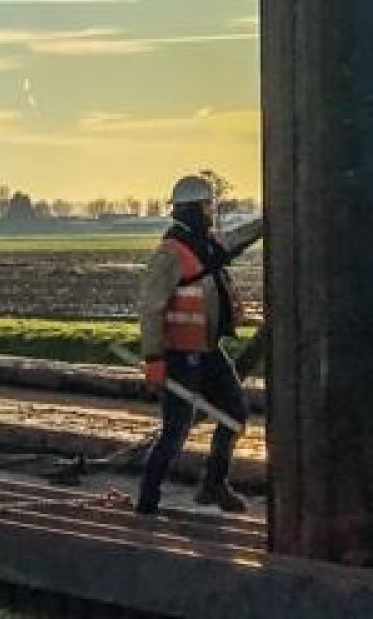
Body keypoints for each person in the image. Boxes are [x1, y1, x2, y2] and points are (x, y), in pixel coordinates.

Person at [135, 173, 265, 516]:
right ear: (197, 207)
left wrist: (270, 221)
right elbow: (151, 309)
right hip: (180, 355)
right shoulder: (169, 253)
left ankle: (213, 485)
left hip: (207, 349)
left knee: (235, 414)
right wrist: (154, 360)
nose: (212, 211)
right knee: (175, 430)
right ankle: (147, 501)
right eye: (209, 205)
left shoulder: (205, 244)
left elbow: (237, 238)